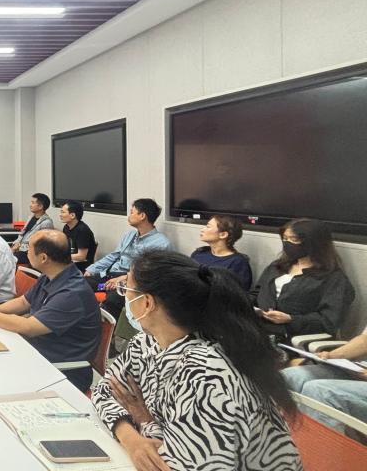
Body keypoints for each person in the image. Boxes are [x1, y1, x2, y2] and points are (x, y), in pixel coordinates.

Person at [92, 251, 302, 471]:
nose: (123, 296)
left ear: (146, 303)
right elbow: (104, 391)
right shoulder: (146, 343)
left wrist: (146, 423)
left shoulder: (207, 374)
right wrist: (131, 438)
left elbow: (185, 463)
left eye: (125, 289)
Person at [0, 230, 100, 391]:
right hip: (37, 351)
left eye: (28, 248)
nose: (26, 251)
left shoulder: (71, 293)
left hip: (62, 370)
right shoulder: (50, 276)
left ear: (43, 258)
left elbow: (29, 327)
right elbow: (23, 302)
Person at [251, 218, 354, 343]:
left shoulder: (333, 279)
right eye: (285, 239)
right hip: (258, 329)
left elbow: (329, 320)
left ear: (313, 242)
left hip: (292, 337)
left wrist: (291, 319)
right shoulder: (277, 267)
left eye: (294, 240)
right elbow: (257, 293)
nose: (287, 244)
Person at [85, 198, 174, 317]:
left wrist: (124, 278)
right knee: (82, 284)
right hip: (110, 277)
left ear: (142, 216)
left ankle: (107, 326)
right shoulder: (129, 235)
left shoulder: (161, 243)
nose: (129, 216)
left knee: (113, 299)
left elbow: (151, 272)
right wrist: (92, 269)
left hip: (132, 282)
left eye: (132, 212)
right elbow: (114, 255)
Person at [282, 325, 367, 434]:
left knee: (320, 391)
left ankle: (318, 443)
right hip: (362, 368)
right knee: (291, 377)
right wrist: (332, 355)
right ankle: (285, 438)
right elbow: (364, 340)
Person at [190, 215, 253, 290]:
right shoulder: (199, 253)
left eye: (208, 227)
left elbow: (239, 293)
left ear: (223, 235)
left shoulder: (238, 263)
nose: (202, 229)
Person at [11, 193, 55, 265]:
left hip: (30, 253)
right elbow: (22, 234)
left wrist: (18, 248)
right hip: (20, 249)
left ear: (40, 206)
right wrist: (15, 245)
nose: (30, 205)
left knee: (7, 260)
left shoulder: (47, 223)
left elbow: (41, 244)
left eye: (33, 203)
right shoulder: (30, 217)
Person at [60, 200, 97, 270]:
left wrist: (61, 257)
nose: (60, 215)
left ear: (72, 215)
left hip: (82, 265)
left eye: (63, 212)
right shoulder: (66, 227)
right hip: (71, 261)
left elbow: (81, 256)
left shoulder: (82, 230)